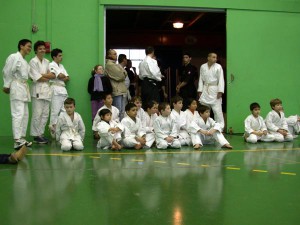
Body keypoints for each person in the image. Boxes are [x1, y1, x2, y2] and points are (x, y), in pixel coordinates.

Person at [2, 39, 33, 149]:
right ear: (21, 46)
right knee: (18, 114)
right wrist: (6, 85)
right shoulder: (14, 57)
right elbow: (7, 71)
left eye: (30, 47)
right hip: (16, 86)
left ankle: (22, 138)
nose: (30, 48)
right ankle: (16, 140)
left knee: (25, 115)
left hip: (24, 88)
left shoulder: (24, 61)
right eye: (28, 46)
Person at [29, 41, 55, 144]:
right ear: (36, 50)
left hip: (46, 91)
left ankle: (41, 134)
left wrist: (42, 75)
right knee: (37, 114)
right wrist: (45, 76)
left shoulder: (47, 61)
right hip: (37, 91)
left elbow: (53, 75)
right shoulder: (33, 62)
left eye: (44, 48)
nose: (42, 50)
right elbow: (37, 78)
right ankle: (36, 135)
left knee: (45, 114)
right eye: (40, 49)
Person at [197, 52, 225, 129]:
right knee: (204, 109)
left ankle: (219, 128)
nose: (215, 59)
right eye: (213, 57)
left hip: (215, 89)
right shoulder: (203, 66)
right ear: (208, 58)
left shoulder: (218, 67)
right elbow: (201, 79)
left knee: (217, 111)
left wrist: (220, 91)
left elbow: (221, 79)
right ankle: (203, 127)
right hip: (206, 89)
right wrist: (200, 90)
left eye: (216, 57)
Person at [48, 48, 70, 139]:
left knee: (64, 111)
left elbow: (67, 77)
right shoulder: (51, 65)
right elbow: (60, 76)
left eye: (61, 55)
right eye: (59, 56)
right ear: (54, 57)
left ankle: (62, 130)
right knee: (55, 111)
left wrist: (62, 76)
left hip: (63, 89)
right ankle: (53, 130)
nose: (61, 57)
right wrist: (61, 76)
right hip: (55, 89)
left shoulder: (61, 66)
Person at [105, 49, 127, 120]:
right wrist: (122, 73)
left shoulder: (115, 64)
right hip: (116, 90)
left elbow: (125, 73)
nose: (116, 55)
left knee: (122, 112)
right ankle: (117, 127)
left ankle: (120, 127)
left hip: (121, 90)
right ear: (109, 55)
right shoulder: (109, 64)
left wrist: (123, 73)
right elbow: (121, 76)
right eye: (114, 54)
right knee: (118, 111)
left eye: (116, 54)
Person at [117, 54, 129, 118]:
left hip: (124, 91)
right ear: (124, 60)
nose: (127, 61)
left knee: (123, 110)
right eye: (126, 59)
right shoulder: (117, 68)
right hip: (120, 92)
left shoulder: (123, 68)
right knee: (120, 110)